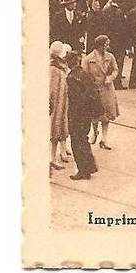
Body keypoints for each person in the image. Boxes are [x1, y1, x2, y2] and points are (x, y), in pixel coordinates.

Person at [65, 50, 100, 180]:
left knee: (77, 142)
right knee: (84, 140)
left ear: (69, 62)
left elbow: (75, 100)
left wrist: (72, 116)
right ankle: (90, 167)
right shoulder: (85, 74)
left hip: (77, 115)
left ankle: (82, 170)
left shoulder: (72, 77)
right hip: (87, 115)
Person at [49, 42, 71, 170]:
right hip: (55, 106)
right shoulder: (54, 69)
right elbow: (52, 91)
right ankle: (51, 158)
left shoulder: (60, 67)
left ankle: (53, 157)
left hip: (61, 104)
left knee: (57, 131)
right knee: (53, 131)